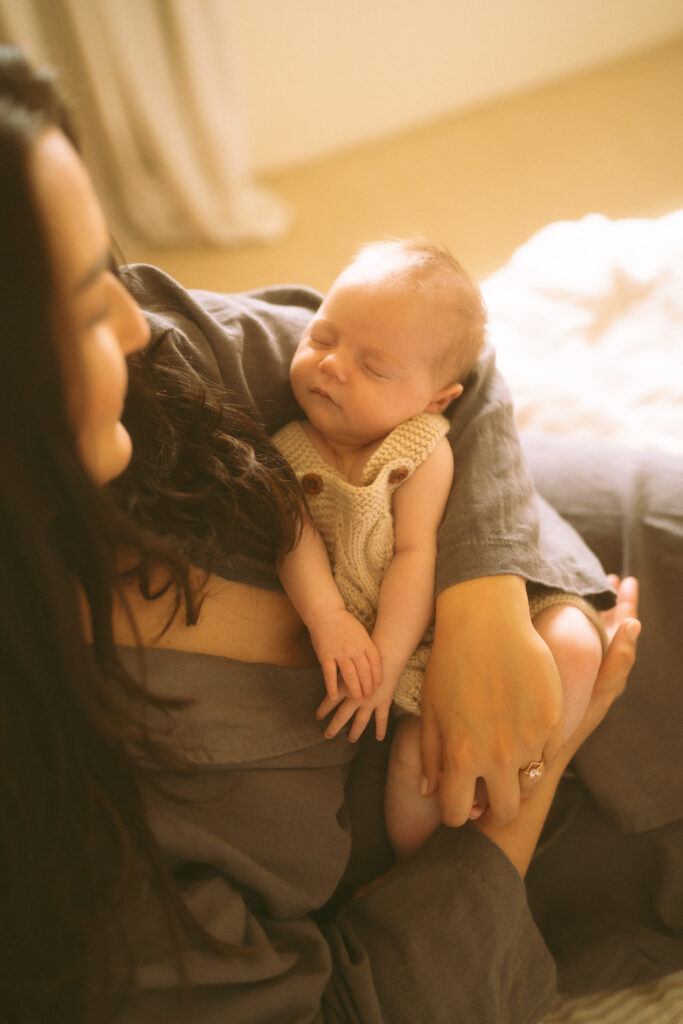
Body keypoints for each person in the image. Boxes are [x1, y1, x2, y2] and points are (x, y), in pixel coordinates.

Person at [1, 46, 681, 1024]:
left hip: (591, 541)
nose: (134, 324)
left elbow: (446, 360)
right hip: (580, 831)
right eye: (78, 303)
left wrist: (479, 598)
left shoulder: (159, 372)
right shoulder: (53, 834)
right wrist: (534, 781)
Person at [272, 237, 607, 852]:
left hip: (442, 613)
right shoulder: (288, 447)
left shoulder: (421, 449)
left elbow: (415, 553)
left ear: (436, 399)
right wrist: (328, 621)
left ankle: (529, 771)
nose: (331, 365)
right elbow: (292, 541)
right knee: (414, 762)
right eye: (321, 338)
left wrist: (389, 662)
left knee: (575, 649)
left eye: (373, 368)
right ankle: (435, 863)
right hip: (371, 635)